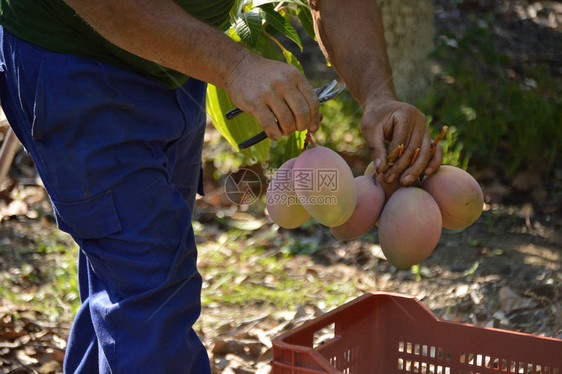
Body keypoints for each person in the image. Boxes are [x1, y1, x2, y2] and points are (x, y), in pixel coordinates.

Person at [0, 0, 443, 372]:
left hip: (176, 59)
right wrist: (233, 64)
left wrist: (378, 94)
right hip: (75, 60)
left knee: (129, 279)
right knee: (149, 288)